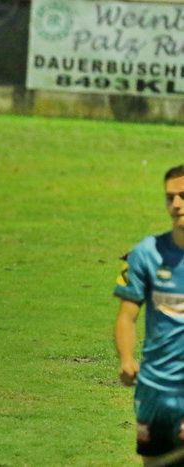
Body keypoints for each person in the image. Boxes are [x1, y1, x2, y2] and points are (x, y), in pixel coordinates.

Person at [114, 165, 184, 466]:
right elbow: (126, 316)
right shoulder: (146, 254)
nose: (176, 204)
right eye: (170, 197)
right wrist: (126, 359)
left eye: (183, 196)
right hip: (156, 389)